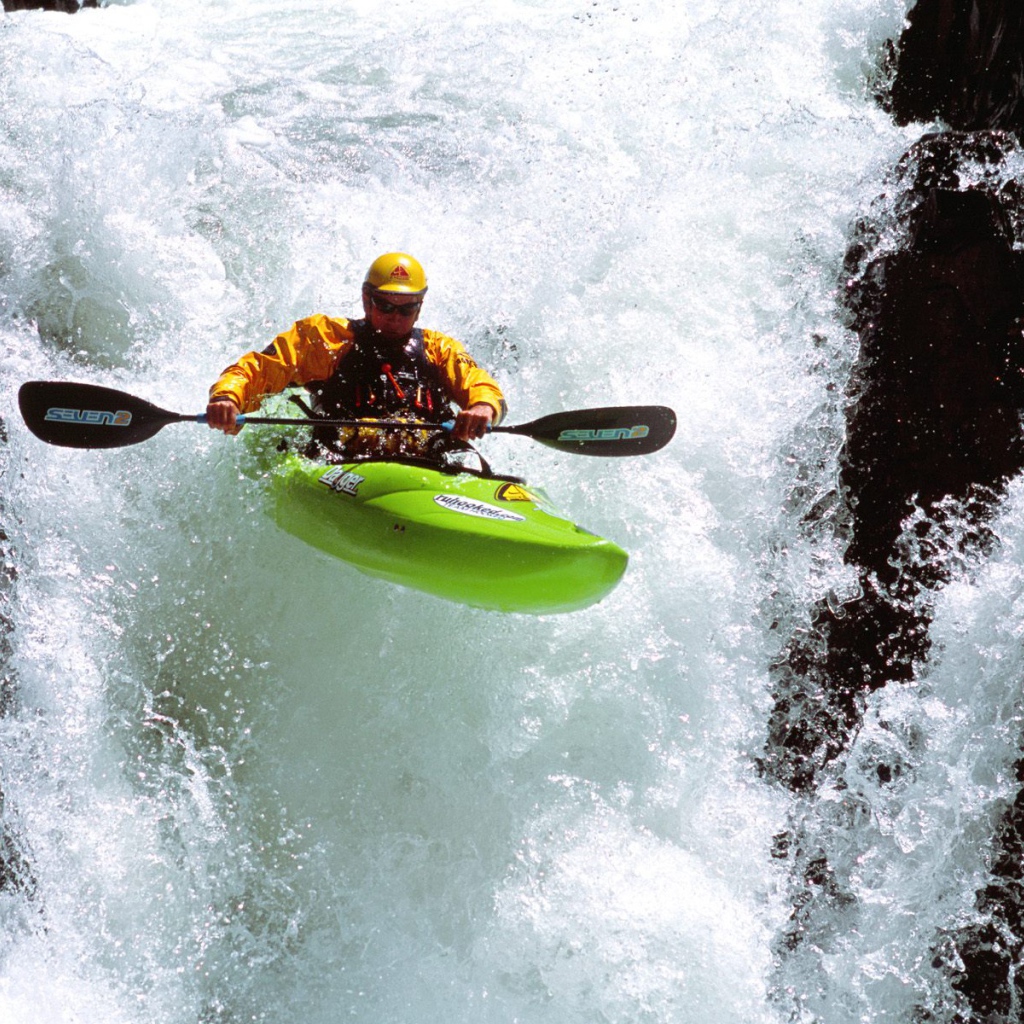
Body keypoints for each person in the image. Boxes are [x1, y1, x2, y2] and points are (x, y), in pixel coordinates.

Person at [206, 252, 506, 463]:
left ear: (420, 305)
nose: (395, 318)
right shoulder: (325, 338)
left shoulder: (439, 348)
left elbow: (480, 385)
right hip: (342, 460)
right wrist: (228, 398)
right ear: (366, 299)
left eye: (407, 309)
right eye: (385, 306)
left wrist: (482, 407)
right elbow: (257, 370)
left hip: (430, 459)